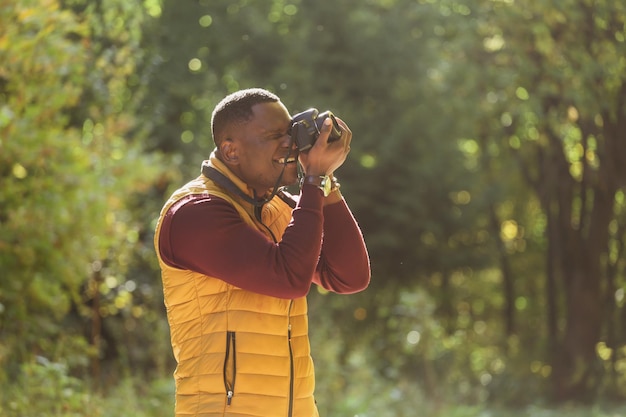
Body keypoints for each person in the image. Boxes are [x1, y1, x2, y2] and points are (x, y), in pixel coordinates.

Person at [154, 88, 370, 417]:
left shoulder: (279, 209)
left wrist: (325, 181)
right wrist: (311, 179)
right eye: (273, 137)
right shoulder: (194, 212)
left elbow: (349, 276)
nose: (290, 145)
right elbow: (289, 278)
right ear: (231, 151)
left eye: (289, 134)